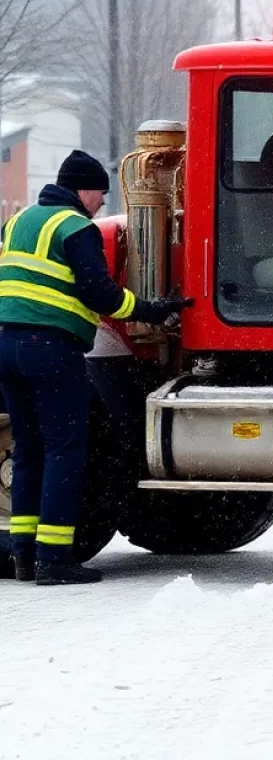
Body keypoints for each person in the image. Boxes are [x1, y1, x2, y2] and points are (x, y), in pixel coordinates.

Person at [0, 151, 191, 586]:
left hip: (7, 345)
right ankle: (55, 560)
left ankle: (24, 557)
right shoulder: (76, 227)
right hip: (51, 349)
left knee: (28, 452)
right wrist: (151, 309)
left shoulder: (18, 222)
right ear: (83, 189)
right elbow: (100, 294)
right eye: (100, 193)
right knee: (65, 451)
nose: (102, 203)